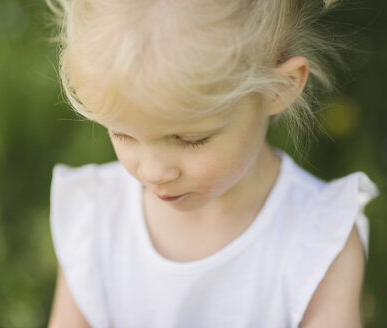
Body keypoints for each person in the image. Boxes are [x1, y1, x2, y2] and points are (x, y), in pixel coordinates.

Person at [46, 0, 378, 327]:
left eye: (191, 139)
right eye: (122, 134)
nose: (152, 172)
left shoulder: (318, 239)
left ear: (279, 87)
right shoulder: (95, 219)